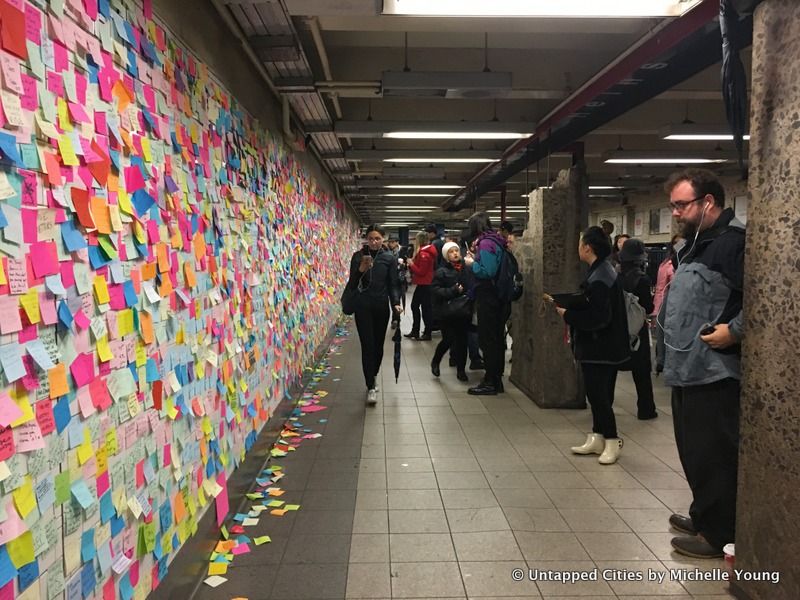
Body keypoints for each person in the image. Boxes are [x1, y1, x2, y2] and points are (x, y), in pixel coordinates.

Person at [661, 169, 745, 559]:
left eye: (682, 204)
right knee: (693, 451)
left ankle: (718, 533)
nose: (675, 213)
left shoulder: (733, 244)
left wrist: (736, 331)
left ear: (707, 202)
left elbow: (771, 294)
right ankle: (703, 513)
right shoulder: (697, 245)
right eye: (673, 205)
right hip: (687, 369)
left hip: (715, 372)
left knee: (714, 455)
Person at [554, 226, 630, 465]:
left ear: (588, 247)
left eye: (579, 244)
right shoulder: (602, 271)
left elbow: (599, 317)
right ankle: (597, 436)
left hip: (601, 348)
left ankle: (611, 440)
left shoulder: (600, 277)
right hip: (602, 347)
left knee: (599, 396)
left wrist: (568, 314)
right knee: (597, 394)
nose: (578, 248)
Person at [348, 225, 402, 406]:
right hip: (362, 307)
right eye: (371, 238)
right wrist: (361, 269)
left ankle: (374, 374)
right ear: (366, 239)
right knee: (367, 345)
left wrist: (396, 303)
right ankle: (370, 386)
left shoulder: (389, 258)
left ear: (383, 239)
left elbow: (393, 284)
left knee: (378, 346)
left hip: (381, 307)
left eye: (377, 238)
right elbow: (352, 283)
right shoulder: (358, 257)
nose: (374, 241)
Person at [463, 212, 510, 395]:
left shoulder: (486, 243)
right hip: (498, 296)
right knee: (496, 340)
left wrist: (471, 263)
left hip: (489, 297)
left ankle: (490, 381)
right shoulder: (496, 240)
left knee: (488, 340)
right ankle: (496, 379)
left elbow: (487, 271)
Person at [617, 238, 657, 420]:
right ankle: (646, 409)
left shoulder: (616, 277)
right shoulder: (643, 279)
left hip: (618, 327)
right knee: (642, 373)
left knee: (611, 371)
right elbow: (648, 307)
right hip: (637, 328)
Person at [430, 242, 472, 383]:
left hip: (464, 310)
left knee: (462, 341)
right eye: (451, 252)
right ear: (446, 256)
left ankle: (461, 370)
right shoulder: (441, 272)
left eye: (456, 251)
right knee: (448, 339)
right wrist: (453, 291)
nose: (455, 253)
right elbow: (436, 291)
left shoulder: (467, 269)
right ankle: (436, 361)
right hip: (447, 312)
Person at [652, 234, 684, 374]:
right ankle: (662, 361)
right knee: (663, 331)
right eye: (676, 243)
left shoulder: (690, 261)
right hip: (670, 304)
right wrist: (656, 312)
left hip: (685, 306)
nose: (679, 246)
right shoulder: (666, 265)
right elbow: (660, 289)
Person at [405, 231, 438, 341]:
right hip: (424, 284)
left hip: (425, 284)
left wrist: (411, 264)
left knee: (424, 308)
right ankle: (417, 331)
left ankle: (425, 332)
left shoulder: (424, 254)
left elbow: (421, 271)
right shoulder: (425, 252)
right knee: (420, 307)